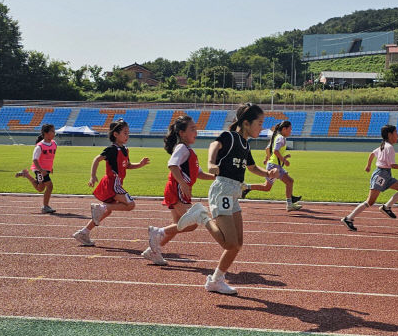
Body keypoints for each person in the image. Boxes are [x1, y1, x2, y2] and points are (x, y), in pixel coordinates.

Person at [174, 103, 278, 295]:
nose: (262, 127)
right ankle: (202, 217)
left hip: (234, 193)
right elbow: (215, 144)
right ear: (246, 123)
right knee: (229, 243)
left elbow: (253, 168)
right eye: (260, 122)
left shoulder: (245, 144)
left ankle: (216, 281)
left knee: (237, 244)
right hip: (222, 190)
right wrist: (211, 163)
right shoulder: (230, 137)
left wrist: (268, 173)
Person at [143, 115, 216, 265]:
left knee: (177, 225)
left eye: (196, 128)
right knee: (192, 223)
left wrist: (217, 177)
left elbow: (200, 174)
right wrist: (182, 183)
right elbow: (172, 164)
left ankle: (153, 250)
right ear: (182, 133)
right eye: (192, 129)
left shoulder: (189, 151)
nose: (196, 131)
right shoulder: (182, 148)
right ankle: (157, 232)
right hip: (176, 190)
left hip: (179, 190)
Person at [72, 119, 150, 246]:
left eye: (128, 133)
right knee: (130, 205)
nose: (127, 136)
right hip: (112, 182)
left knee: (106, 212)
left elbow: (128, 165)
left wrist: (140, 164)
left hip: (116, 183)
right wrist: (93, 176)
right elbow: (97, 159)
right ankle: (101, 207)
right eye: (125, 133)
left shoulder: (125, 150)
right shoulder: (111, 149)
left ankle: (84, 232)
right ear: (115, 134)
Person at [341, 125, 398, 231]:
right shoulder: (389, 148)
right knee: (370, 201)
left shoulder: (384, 145)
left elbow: (372, 154)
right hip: (381, 175)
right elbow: (392, 165)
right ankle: (348, 218)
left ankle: (386, 207)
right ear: (390, 135)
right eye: (396, 132)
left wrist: (368, 166)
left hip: (386, 174)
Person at [240, 120, 302, 211]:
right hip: (274, 166)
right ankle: (289, 204)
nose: (291, 131)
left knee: (270, 186)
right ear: (284, 129)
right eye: (290, 129)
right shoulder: (280, 138)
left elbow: (270, 149)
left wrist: (281, 157)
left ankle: (247, 187)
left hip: (275, 165)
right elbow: (275, 151)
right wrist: (283, 160)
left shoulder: (277, 136)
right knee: (286, 182)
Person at [15, 123, 58, 214]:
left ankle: (26, 175)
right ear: (46, 133)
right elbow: (35, 159)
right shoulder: (39, 146)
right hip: (39, 170)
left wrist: (51, 167)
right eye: (52, 131)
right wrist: (41, 170)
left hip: (46, 170)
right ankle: (45, 206)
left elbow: (50, 157)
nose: (54, 133)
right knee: (50, 186)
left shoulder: (54, 144)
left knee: (40, 188)